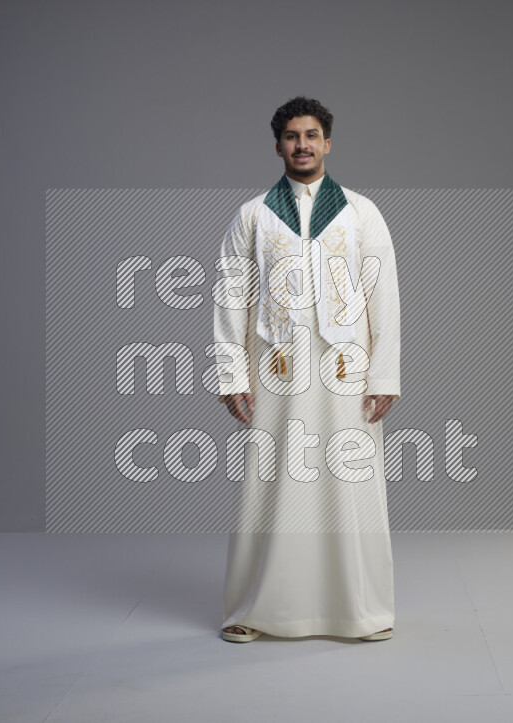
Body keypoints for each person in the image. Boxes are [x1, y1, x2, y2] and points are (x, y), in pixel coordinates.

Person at [213, 96, 401, 642]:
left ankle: (360, 611)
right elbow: (230, 297)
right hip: (276, 368)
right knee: (271, 483)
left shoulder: (362, 213)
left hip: (346, 370)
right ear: (278, 146)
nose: (302, 145)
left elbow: (384, 295)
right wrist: (231, 375)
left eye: (311, 135)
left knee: (348, 481)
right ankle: (253, 608)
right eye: (292, 136)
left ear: (328, 143)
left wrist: (384, 376)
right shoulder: (252, 215)